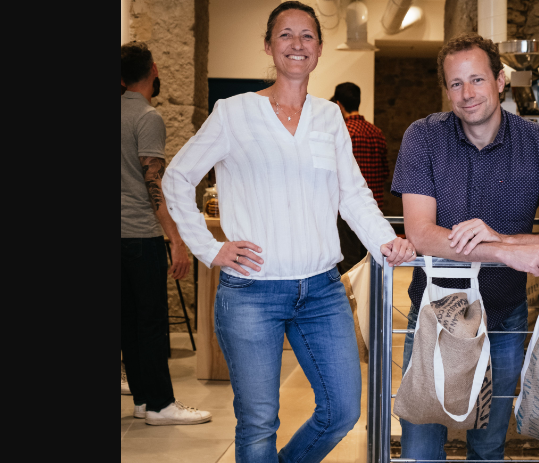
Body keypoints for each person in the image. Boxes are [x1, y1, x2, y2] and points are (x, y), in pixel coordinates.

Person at [162, 2, 416, 461]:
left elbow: (353, 194)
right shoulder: (233, 113)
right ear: (268, 46)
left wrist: (386, 244)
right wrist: (209, 248)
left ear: (318, 50)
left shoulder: (329, 117)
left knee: (341, 410)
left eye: (307, 36)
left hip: (321, 289)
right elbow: (177, 177)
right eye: (285, 35)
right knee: (259, 422)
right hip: (251, 292)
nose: (297, 44)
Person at [391, 33, 539, 460]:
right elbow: (421, 234)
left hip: (504, 319)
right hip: (434, 314)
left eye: (477, 80)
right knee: (419, 450)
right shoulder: (423, 138)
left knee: (487, 450)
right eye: (455, 84)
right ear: (446, 90)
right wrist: (503, 253)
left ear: (501, 80)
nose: (467, 94)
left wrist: (503, 239)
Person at [121, 41, 212, 426]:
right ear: (154, 70)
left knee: (128, 322)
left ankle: (143, 399)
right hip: (140, 235)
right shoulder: (147, 117)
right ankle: (159, 404)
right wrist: (176, 240)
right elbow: (153, 186)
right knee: (153, 323)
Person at [330, 82, 390, 273]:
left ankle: (353, 303)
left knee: (350, 266)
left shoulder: (343, 132)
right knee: (370, 266)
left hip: (347, 212)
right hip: (374, 209)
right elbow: (385, 172)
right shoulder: (377, 132)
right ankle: (370, 302)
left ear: (339, 104)